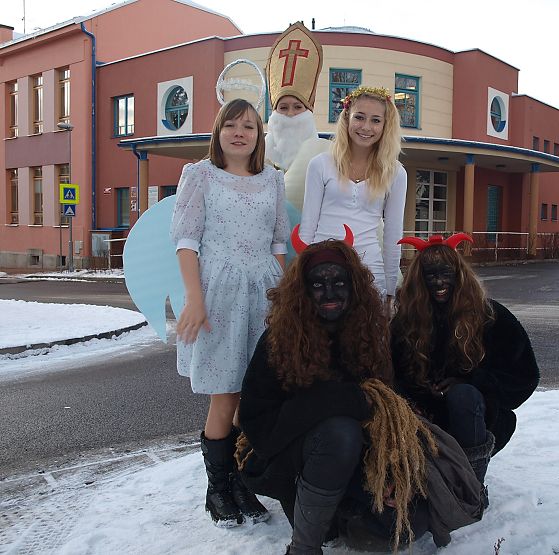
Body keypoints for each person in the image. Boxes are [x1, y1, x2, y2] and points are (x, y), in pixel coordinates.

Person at [237, 236, 479, 554]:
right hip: (290, 463)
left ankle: (343, 514)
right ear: (303, 291)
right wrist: (340, 401)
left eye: (339, 283)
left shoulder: (368, 336)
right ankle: (304, 547)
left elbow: (382, 413)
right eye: (318, 284)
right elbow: (261, 430)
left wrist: (391, 471)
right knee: (340, 431)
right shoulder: (278, 342)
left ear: (354, 288)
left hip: (356, 462)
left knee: (409, 525)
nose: (330, 293)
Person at [169, 98, 289, 527]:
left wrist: (281, 298)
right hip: (219, 293)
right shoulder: (200, 175)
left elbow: (278, 242)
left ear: (259, 135)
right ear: (218, 131)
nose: (240, 133)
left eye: (249, 126)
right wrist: (194, 298)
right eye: (231, 125)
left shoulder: (272, 179)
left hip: (263, 293)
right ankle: (217, 490)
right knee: (225, 393)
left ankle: (240, 482)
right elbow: (186, 241)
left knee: (252, 391)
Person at [391, 234, 540, 505]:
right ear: (418, 279)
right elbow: (391, 374)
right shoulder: (406, 321)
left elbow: (525, 375)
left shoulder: (490, 316)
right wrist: (416, 397)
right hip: (423, 421)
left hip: (477, 418)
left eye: (445, 273)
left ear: (459, 274)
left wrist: (472, 381)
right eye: (430, 275)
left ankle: (470, 490)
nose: (439, 282)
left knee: (464, 397)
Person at [299, 86, 407, 309]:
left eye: (376, 120)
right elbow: (307, 227)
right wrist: (302, 274)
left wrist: (390, 288)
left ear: (385, 125)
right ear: (347, 117)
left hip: (370, 271)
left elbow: (393, 234)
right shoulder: (320, 164)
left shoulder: (396, 173)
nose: (366, 127)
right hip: (323, 268)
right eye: (359, 117)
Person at [264, 21, 331, 258]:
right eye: (283, 108)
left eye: (297, 107)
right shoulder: (257, 154)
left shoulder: (326, 155)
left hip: (311, 252)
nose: (290, 115)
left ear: (308, 111)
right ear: (274, 112)